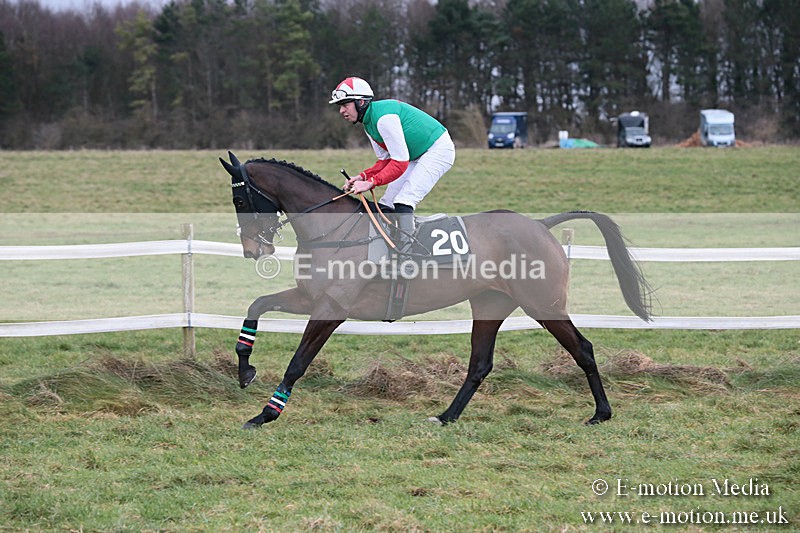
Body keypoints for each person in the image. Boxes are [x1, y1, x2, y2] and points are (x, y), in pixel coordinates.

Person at [329, 76, 455, 252]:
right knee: (386, 204)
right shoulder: (368, 124)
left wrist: (371, 182)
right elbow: (386, 161)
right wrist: (363, 176)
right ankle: (387, 249)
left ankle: (407, 255)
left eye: (345, 104)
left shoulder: (383, 119)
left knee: (404, 200)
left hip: (438, 150)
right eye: (340, 106)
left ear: (361, 102)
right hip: (413, 156)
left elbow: (400, 163)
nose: (342, 111)